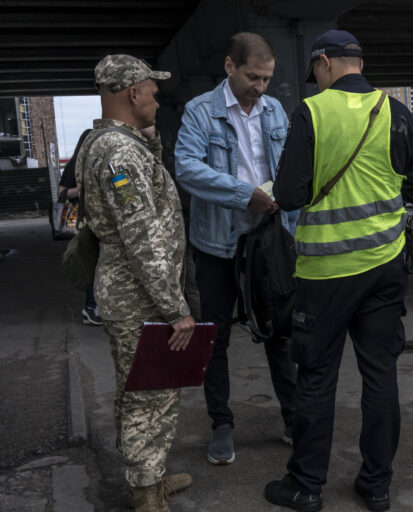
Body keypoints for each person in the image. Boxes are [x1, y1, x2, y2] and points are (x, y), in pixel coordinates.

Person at [263, 30, 413, 512]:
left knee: (317, 377)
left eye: (315, 70)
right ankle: (376, 486)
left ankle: (306, 486)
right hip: (384, 267)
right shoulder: (400, 113)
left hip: (326, 273)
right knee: (380, 375)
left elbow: (289, 195)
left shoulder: (311, 112)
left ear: (323, 64)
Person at [76, 54, 195, 511]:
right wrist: (174, 309)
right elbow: (142, 235)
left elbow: (146, 198)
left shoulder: (104, 142)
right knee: (151, 392)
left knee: (137, 386)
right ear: (132, 93)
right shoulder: (120, 152)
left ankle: (147, 475)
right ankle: (148, 494)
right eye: (153, 90)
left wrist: (152, 144)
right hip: (139, 292)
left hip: (125, 288)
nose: (157, 98)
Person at [174, 32, 298, 465]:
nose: (260, 87)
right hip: (216, 244)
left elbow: (290, 166)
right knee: (215, 338)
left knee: (279, 333)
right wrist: (243, 194)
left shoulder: (277, 110)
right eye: (253, 77)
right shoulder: (199, 112)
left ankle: (292, 417)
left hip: (268, 241)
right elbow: (187, 169)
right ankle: (221, 425)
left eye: (266, 78)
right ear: (229, 67)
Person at [58, 128, 104, 326]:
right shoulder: (74, 165)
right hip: (82, 222)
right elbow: (61, 193)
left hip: (97, 222)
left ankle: (95, 306)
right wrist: (83, 188)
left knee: (99, 265)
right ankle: (91, 307)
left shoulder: (98, 164)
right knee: (91, 264)